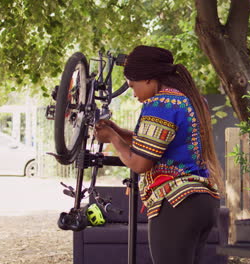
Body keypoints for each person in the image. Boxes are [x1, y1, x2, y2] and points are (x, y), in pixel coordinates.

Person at [94, 45, 223, 264]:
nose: (134, 94)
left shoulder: (160, 103)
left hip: (177, 204)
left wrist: (113, 139)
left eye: (132, 85)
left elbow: (139, 163)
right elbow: (156, 143)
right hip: (203, 202)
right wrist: (118, 131)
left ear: (148, 79)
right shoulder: (192, 100)